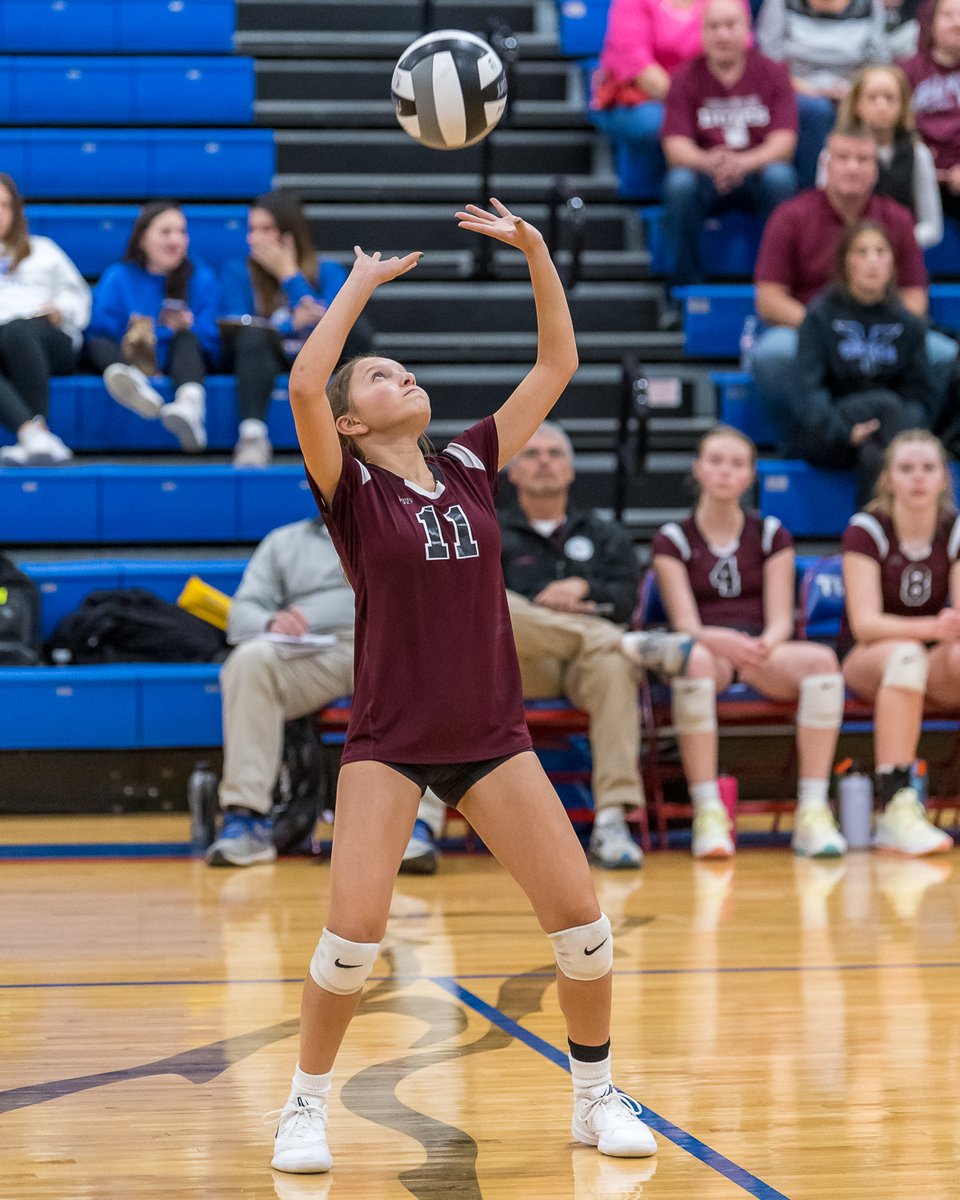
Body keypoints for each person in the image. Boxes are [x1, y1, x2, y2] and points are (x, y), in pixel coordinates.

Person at [270, 200, 659, 1174]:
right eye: (382, 375)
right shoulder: (352, 490)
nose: (403, 375)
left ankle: (594, 1097)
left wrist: (536, 252)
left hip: (492, 732)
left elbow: (556, 364)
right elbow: (307, 382)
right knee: (353, 937)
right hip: (392, 736)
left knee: (583, 929)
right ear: (357, 423)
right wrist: (358, 282)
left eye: (405, 367)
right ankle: (303, 1110)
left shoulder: (473, 462)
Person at [473, 420, 693, 871]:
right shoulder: (487, 528)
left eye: (556, 454)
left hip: (583, 668)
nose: (545, 463)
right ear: (511, 473)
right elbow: (477, 609)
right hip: (515, 666)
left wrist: (580, 587)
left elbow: (624, 596)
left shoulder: (604, 533)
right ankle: (628, 644)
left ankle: (612, 820)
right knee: (494, 605)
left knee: (614, 668)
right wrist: (545, 608)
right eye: (532, 455)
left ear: (572, 470)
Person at [204, 514, 447, 873]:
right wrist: (270, 623)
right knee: (249, 660)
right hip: (318, 653)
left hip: (396, 644)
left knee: (434, 662)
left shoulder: (411, 526)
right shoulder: (285, 541)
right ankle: (247, 820)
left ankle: (416, 826)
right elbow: (241, 614)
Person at [651, 425, 847, 859]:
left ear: (750, 476)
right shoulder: (672, 539)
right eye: (716, 461)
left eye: (737, 463)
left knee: (821, 663)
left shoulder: (771, 534)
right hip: (709, 647)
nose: (725, 471)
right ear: (698, 469)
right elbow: (685, 623)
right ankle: (709, 812)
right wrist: (727, 643)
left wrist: (758, 647)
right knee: (695, 661)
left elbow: (781, 619)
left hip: (762, 649)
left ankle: (812, 811)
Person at [751, 124, 956, 446]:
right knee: (773, 353)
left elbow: (915, 302)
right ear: (826, 165)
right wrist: (825, 332)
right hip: (810, 328)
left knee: (945, 355)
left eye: (863, 159)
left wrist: (878, 327)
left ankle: (914, 443)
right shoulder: (791, 216)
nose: (852, 167)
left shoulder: (898, 219)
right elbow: (769, 300)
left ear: (876, 168)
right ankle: (797, 445)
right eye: (843, 157)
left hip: (885, 330)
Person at [839, 428, 957, 854]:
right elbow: (865, 623)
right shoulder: (867, 529)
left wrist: (944, 629)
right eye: (906, 469)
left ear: (945, 477)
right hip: (866, 657)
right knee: (907, 657)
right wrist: (930, 629)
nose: (918, 478)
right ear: (888, 478)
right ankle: (895, 806)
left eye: (928, 468)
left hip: (930, 658)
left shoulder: (954, 528)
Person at [219, 190, 373, 469]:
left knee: (359, 328)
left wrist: (289, 275)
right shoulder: (237, 271)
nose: (256, 238)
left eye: (266, 229)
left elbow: (336, 322)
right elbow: (239, 323)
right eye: (252, 229)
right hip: (271, 358)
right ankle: (252, 437)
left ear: (290, 234)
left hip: (323, 360)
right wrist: (289, 324)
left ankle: (360, 431)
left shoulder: (328, 271)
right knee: (252, 338)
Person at [660, 0, 798, 306]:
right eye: (714, 26)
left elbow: (784, 144)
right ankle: (683, 295)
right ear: (702, 32)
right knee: (679, 184)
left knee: (781, 177)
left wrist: (742, 163)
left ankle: (778, 286)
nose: (723, 35)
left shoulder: (773, 73)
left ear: (747, 30)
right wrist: (709, 162)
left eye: (731, 25)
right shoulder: (684, 78)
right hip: (706, 176)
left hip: (756, 173)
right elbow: (675, 148)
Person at [790, 221, 938, 502]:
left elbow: (922, 395)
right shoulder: (819, 318)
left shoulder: (908, 323)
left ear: (893, 263)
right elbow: (809, 391)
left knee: (876, 454)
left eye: (880, 252)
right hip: (831, 431)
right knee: (887, 408)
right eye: (862, 252)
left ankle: (870, 536)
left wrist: (903, 432)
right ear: (846, 262)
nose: (872, 261)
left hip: (890, 430)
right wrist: (845, 431)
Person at [84, 202, 221, 453]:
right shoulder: (119, 276)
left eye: (182, 232)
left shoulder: (201, 277)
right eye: (166, 232)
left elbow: (212, 340)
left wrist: (180, 328)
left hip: (180, 358)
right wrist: (133, 334)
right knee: (96, 345)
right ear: (142, 239)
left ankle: (189, 407)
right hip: (129, 356)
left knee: (187, 339)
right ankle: (132, 383)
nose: (176, 240)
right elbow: (99, 330)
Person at [589, 0, 752, 175]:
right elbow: (641, 69)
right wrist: (703, 112)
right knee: (662, 122)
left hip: (712, 97)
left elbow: (739, 53)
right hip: (646, 99)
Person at [0, 173, 90, 466]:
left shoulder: (44, 250)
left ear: (16, 211)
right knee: (10, 332)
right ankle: (33, 433)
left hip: (50, 341)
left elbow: (79, 297)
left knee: (17, 330)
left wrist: (61, 309)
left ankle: (39, 431)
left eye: (3, 205)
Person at [756, 0, 890, 185]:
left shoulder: (869, 5)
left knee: (879, 103)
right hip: (796, 91)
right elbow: (768, 61)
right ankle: (812, 193)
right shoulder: (780, 3)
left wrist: (853, 91)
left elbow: (879, 64)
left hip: (852, 91)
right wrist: (806, 89)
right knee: (816, 110)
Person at [817, 65, 943, 247]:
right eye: (872, 98)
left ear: (903, 105)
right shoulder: (833, 154)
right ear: (856, 105)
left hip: (902, 255)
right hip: (845, 257)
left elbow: (932, 227)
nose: (882, 106)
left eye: (890, 98)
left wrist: (889, 246)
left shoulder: (918, 154)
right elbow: (823, 218)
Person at [902, 0, 960, 223]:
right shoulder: (906, 72)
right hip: (915, 173)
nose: (957, 23)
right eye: (947, 15)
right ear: (930, 23)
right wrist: (919, 163)